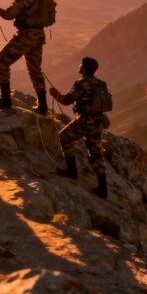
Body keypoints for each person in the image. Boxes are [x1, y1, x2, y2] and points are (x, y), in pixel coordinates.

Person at [0, 0, 50, 112]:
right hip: (38, 37)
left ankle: (5, 99)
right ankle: (42, 106)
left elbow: (9, 15)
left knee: (1, 61)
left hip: (27, 36)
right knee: (35, 70)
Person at [48, 57, 109, 198]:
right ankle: (103, 189)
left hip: (86, 120)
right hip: (98, 121)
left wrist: (55, 94)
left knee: (63, 137)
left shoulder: (82, 83)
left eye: (81, 64)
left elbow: (66, 100)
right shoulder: (100, 83)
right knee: (96, 152)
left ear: (84, 68)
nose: (79, 66)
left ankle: (71, 170)